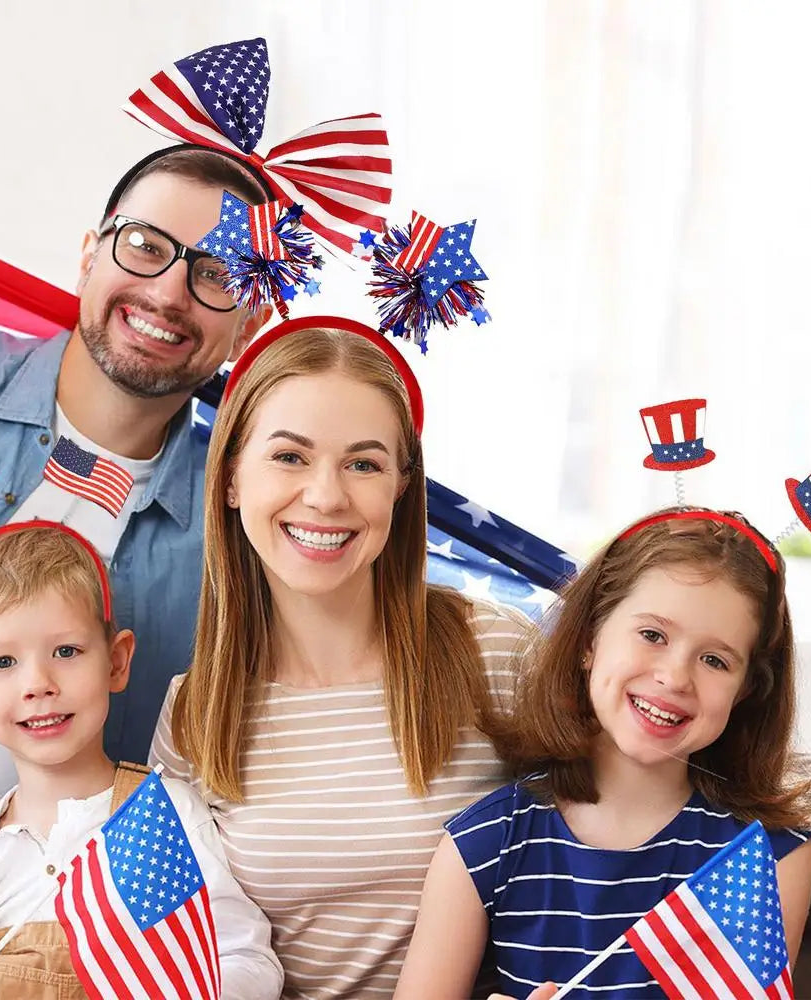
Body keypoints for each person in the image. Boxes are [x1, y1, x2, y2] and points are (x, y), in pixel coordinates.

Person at [0, 145, 274, 919]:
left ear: (249, 324)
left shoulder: (240, 546)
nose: (169, 291)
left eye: (218, 275)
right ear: (88, 252)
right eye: (144, 244)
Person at [150, 317, 532, 999]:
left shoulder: (497, 653)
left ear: (400, 487)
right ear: (232, 476)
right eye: (290, 457)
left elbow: (604, 858)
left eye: (363, 463)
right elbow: (173, 951)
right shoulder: (194, 713)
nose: (326, 496)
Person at [394, 508, 811, 1000]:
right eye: (653, 635)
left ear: (747, 689)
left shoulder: (767, 856)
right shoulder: (483, 844)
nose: (674, 677)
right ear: (587, 640)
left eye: (715, 660)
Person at [0, 521, 283, 1000]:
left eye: (66, 651)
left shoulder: (151, 823)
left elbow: (243, 960)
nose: (38, 683)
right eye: (3, 663)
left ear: (116, 662)